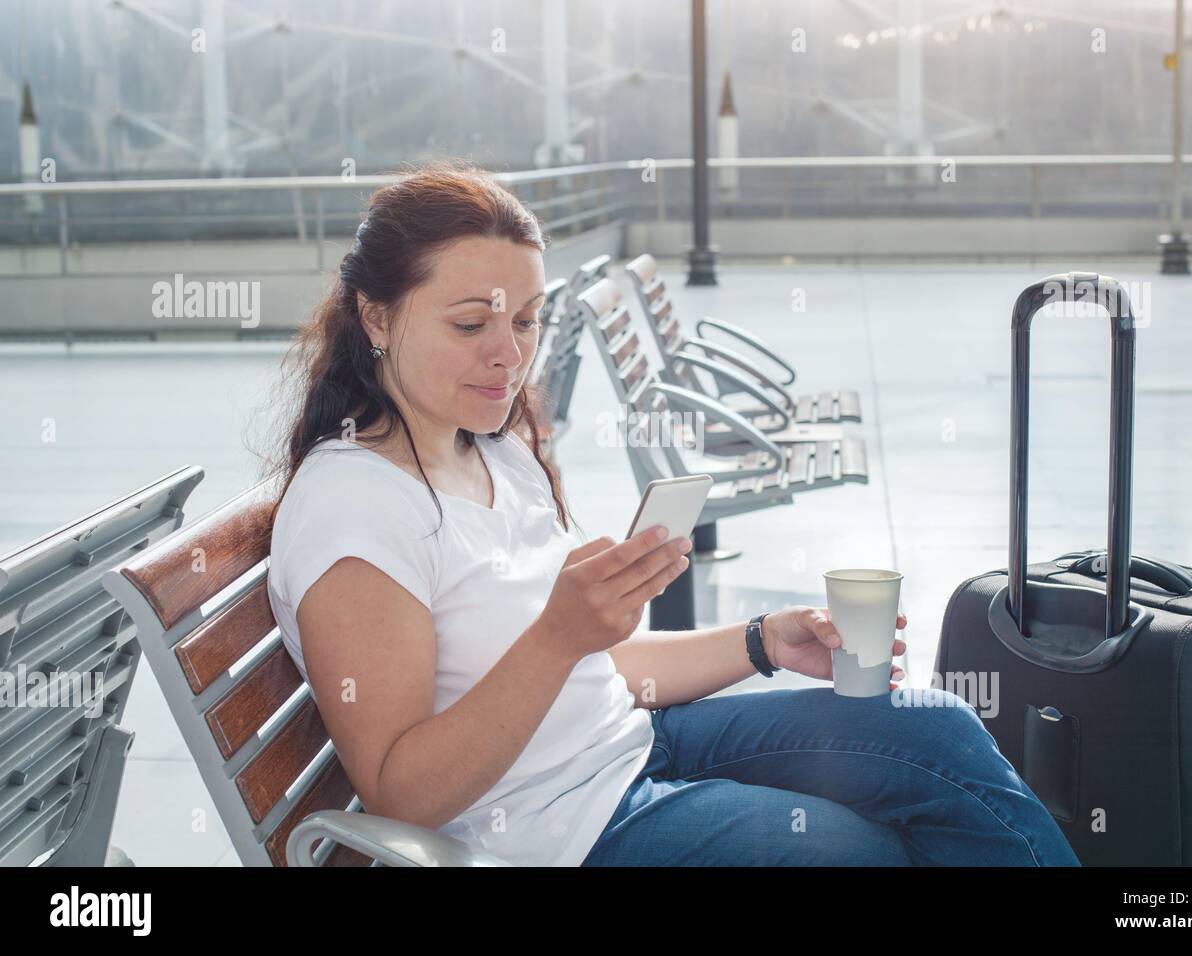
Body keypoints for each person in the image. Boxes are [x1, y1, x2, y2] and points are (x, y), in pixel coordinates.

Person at [263, 160, 1081, 867]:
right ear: (376, 316)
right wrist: (558, 635)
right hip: (560, 834)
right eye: (471, 323)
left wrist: (761, 642)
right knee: (853, 850)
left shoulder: (487, 448)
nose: (509, 355)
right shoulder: (357, 512)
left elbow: (593, 674)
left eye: (526, 320)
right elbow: (403, 794)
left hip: (635, 746)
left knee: (929, 730)